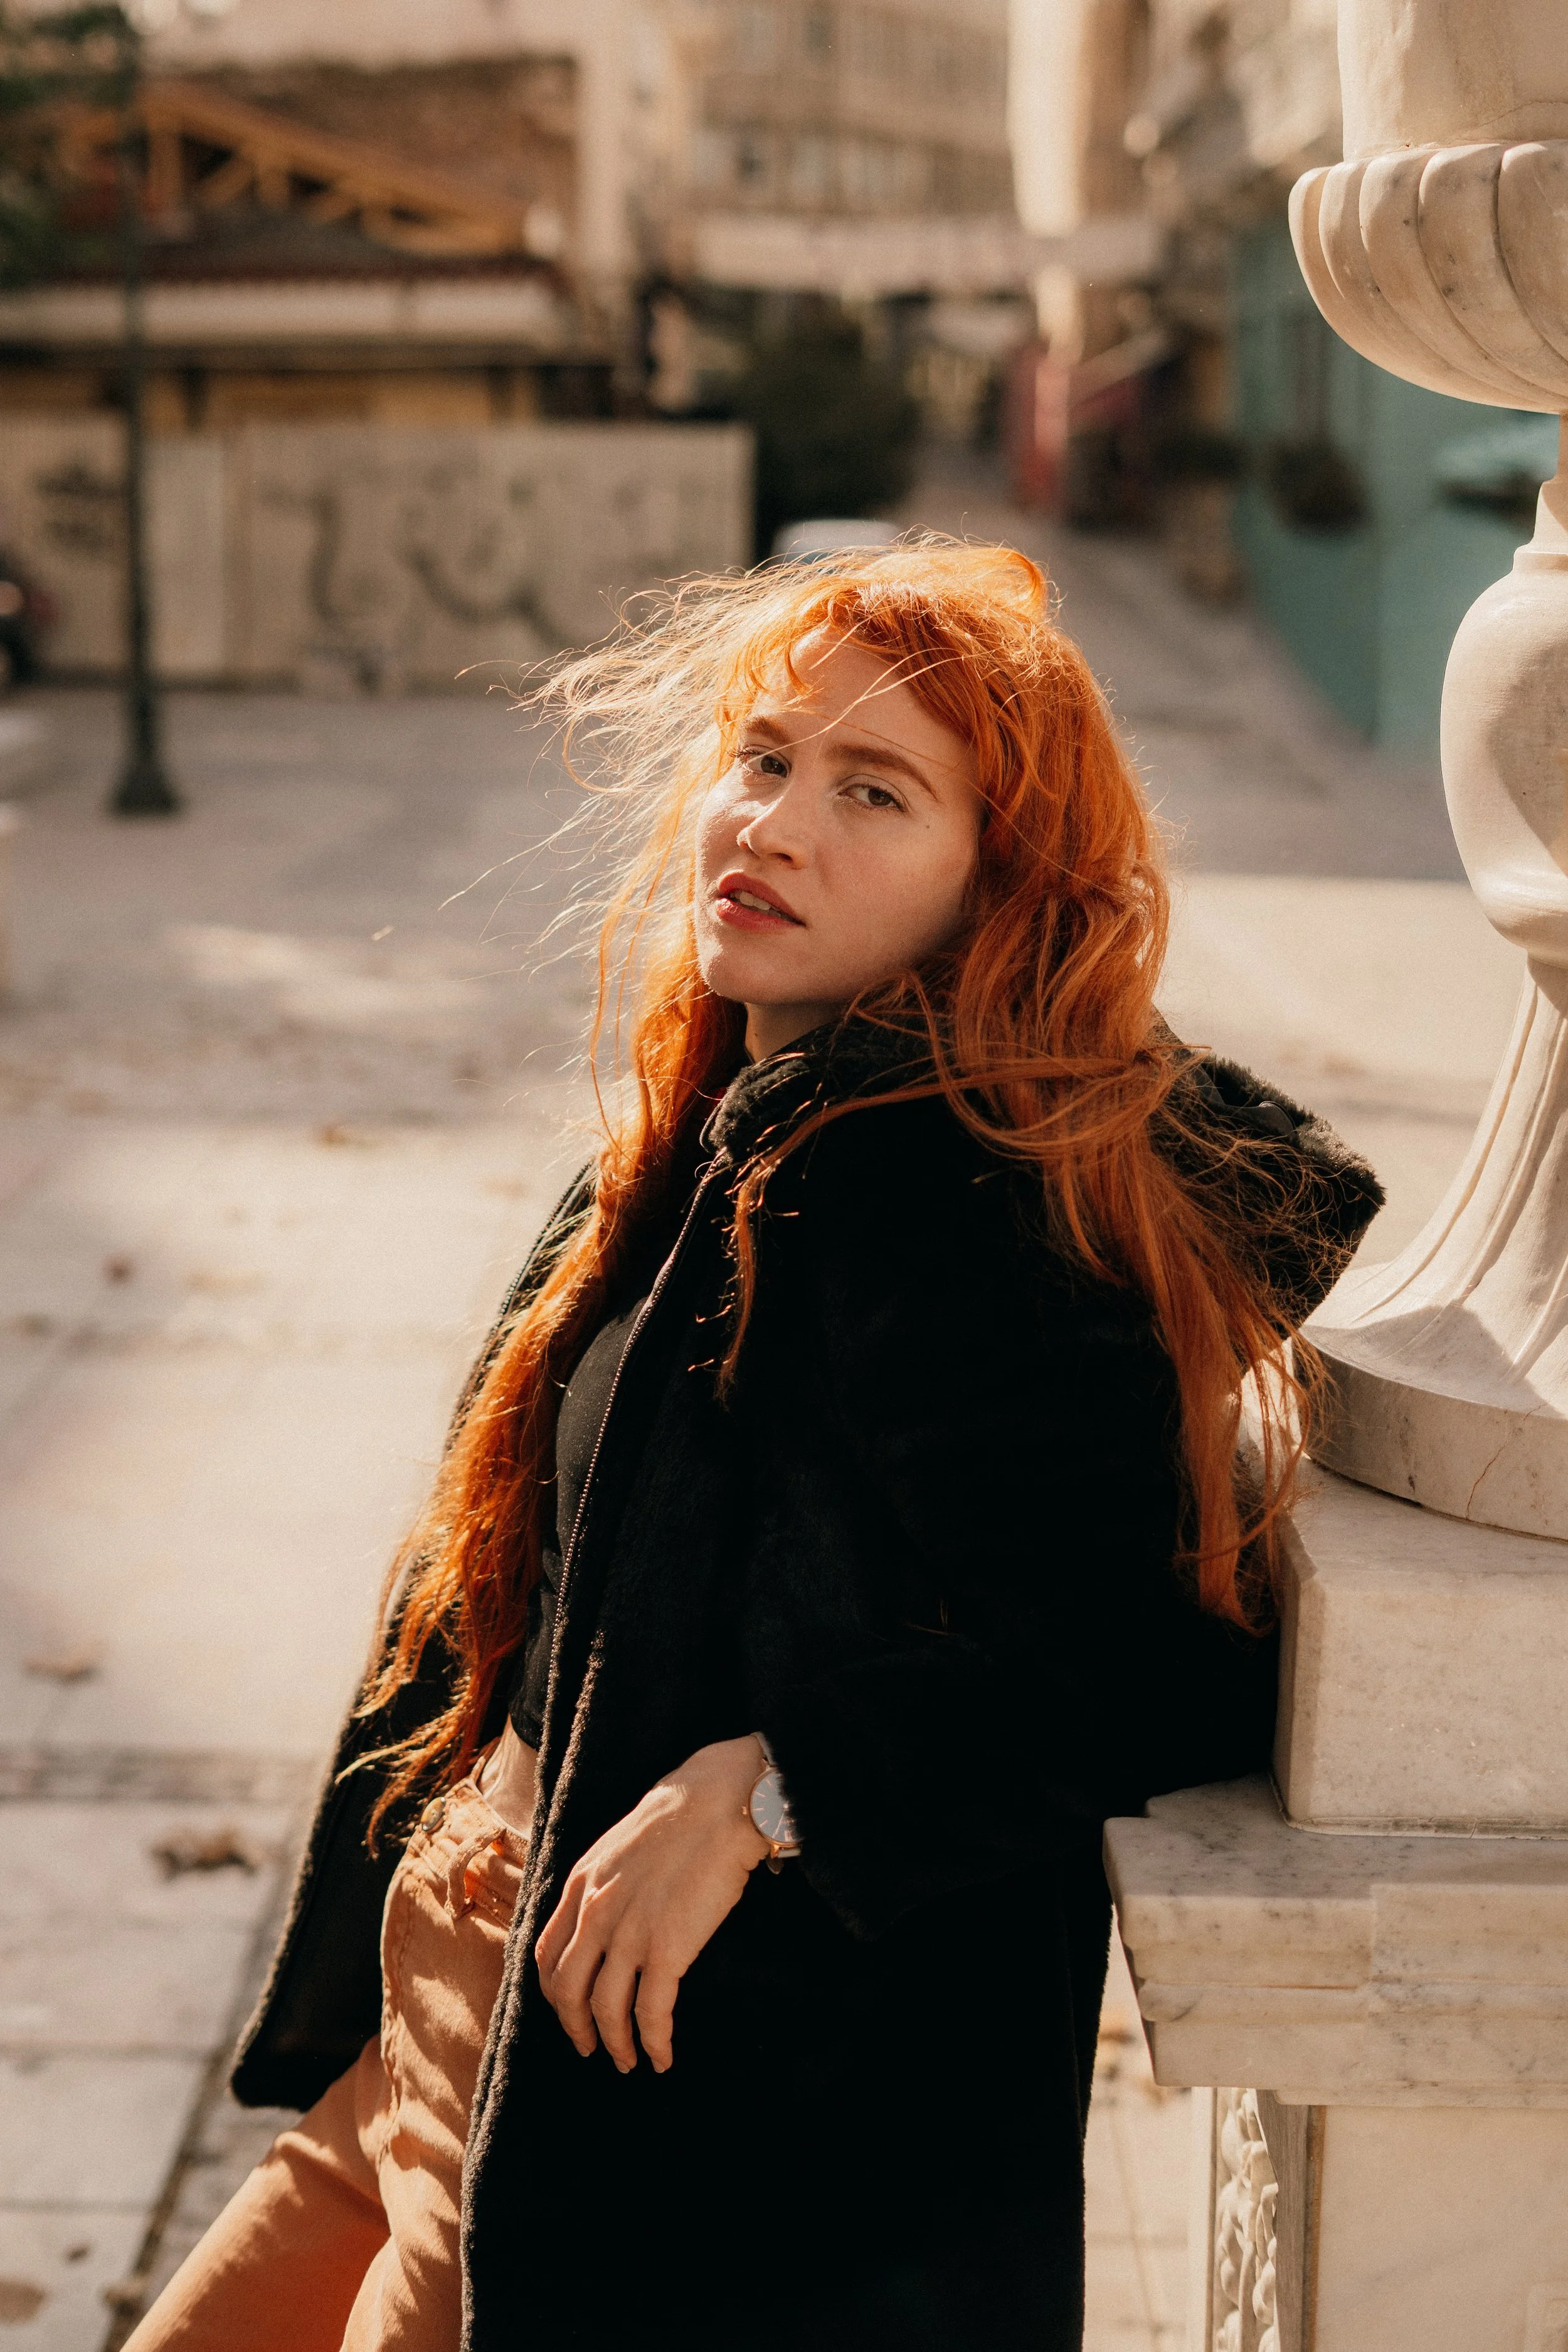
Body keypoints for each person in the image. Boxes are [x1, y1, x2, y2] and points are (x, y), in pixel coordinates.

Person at [126, 541, 1380, 2352]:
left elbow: (1164, 1645)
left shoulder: (941, 1197)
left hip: (631, 2140)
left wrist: (778, 1784)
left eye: (874, 791)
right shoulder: (730, 1122)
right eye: (765, 753)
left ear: (992, 887)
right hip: (444, 2033)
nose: (773, 824)